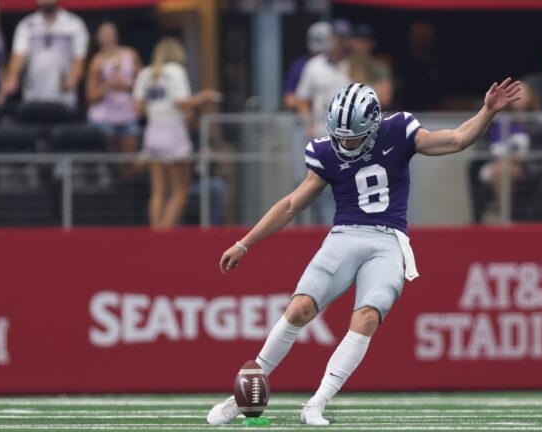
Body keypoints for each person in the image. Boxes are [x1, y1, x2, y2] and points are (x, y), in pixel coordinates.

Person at [206, 78, 522, 425]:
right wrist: (244, 242)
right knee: (299, 308)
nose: (344, 142)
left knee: (367, 316)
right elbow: (292, 204)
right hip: (344, 235)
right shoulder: (326, 151)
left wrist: (487, 111)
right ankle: (243, 395)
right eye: (339, 134)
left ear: (372, 127)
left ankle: (317, 403)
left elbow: (458, 139)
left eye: (352, 136)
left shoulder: (399, 131)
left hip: (388, 241)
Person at [133, 37, 219, 230]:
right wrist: (205, 97)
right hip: (173, 133)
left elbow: (137, 108)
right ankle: (164, 232)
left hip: (152, 132)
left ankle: (156, 231)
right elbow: (181, 103)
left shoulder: (145, 73)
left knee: (158, 190)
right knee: (180, 190)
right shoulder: (175, 71)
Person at [294, 20, 351, 224]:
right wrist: (307, 122)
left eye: (341, 38)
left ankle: (338, 226)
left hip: (351, 140)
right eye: (334, 38)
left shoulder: (353, 65)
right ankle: (315, 229)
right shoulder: (313, 65)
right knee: (315, 186)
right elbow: (301, 98)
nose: (337, 42)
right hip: (320, 135)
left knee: (343, 186)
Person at [0, 0, 88, 107]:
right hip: (33, 96)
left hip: (64, 97)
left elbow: (79, 58)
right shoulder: (26, 25)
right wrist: (13, 77)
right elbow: (19, 55)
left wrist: (73, 78)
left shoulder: (74, 24)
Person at [476, 82, 538, 222]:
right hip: (501, 163)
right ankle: (506, 215)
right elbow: (494, 147)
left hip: (528, 165)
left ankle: (502, 213)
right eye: (516, 93)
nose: (519, 96)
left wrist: (521, 159)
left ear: (531, 97)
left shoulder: (537, 120)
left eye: (523, 93)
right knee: (501, 169)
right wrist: (512, 158)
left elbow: (541, 147)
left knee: (502, 169)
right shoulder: (500, 121)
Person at [86, 22, 142, 175]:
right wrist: (107, 86)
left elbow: (144, 84)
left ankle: (129, 192)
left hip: (127, 115)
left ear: (116, 35)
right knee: (111, 162)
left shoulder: (131, 54)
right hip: (103, 118)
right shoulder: (96, 61)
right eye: (104, 35)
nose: (107, 38)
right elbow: (90, 95)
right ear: (98, 38)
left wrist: (126, 85)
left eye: (110, 33)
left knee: (129, 162)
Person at [282, 21, 331, 111]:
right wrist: (314, 101)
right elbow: (288, 99)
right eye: (316, 52)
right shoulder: (299, 65)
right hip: (306, 117)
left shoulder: (339, 64)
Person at [395, 20, 442, 111]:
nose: (422, 39)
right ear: (410, 36)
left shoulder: (437, 63)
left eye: (425, 35)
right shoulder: (401, 63)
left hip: (436, 115)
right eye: (418, 35)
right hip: (406, 113)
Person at [348, 23, 393, 107]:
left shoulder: (380, 67)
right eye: (358, 40)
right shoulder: (341, 65)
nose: (362, 45)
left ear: (372, 43)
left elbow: (385, 99)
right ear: (350, 42)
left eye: (366, 41)